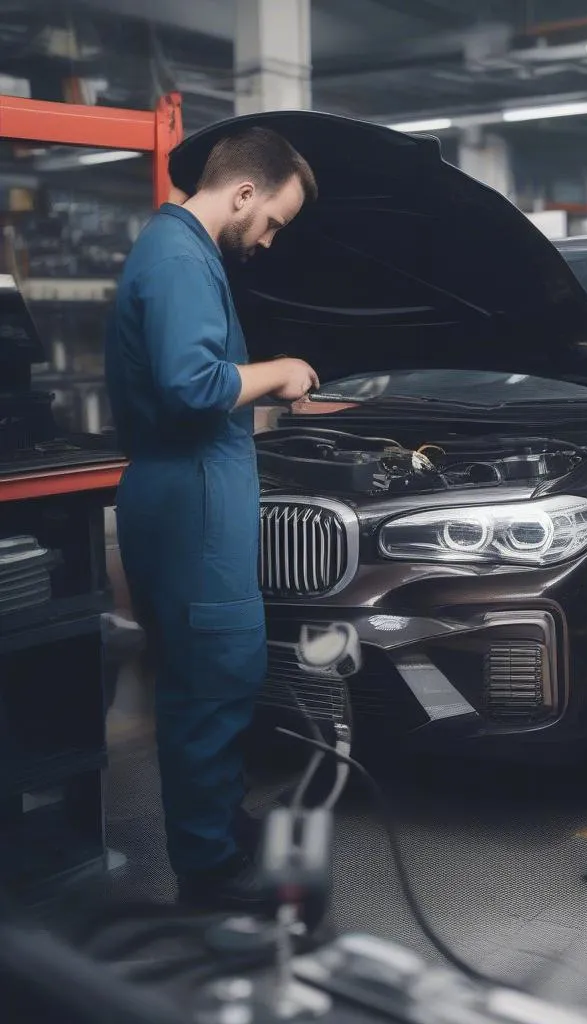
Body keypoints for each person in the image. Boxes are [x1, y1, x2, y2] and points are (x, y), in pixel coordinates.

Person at [105, 126, 320, 908]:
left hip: (185, 489)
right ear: (242, 194)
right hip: (190, 498)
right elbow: (192, 385)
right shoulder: (180, 258)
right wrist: (281, 371)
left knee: (206, 679)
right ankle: (210, 870)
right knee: (215, 677)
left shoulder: (179, 253)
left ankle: (219, 829)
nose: (266, 240)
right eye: (270, 221)